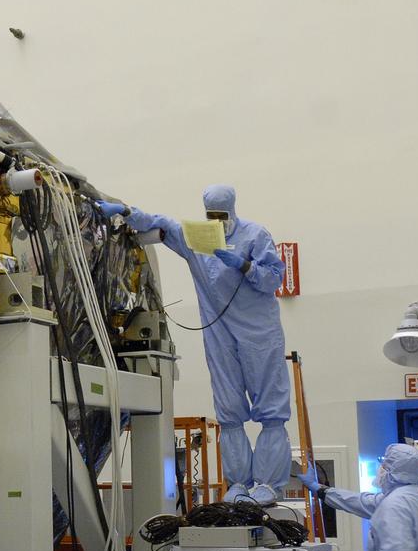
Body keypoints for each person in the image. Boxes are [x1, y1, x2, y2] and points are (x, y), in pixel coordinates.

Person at [100, 185, 290, 504]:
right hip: (219, 333)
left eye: (222, 215)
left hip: (259, 334)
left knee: (271, 409)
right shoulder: (196, 238)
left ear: (232, 210)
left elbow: (274, 278)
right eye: (211, 216)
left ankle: (268, 484)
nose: (217, 221)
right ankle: (240, 484)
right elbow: (160, 223)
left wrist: (243, 265)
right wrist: (125, 212)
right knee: (229, 410)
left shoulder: (255, 236)